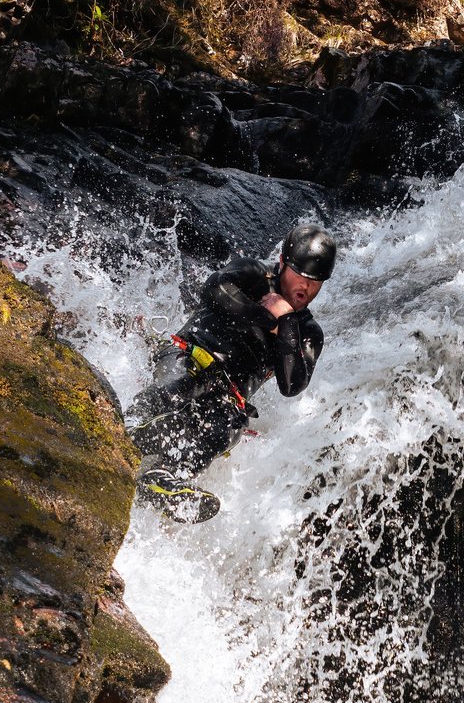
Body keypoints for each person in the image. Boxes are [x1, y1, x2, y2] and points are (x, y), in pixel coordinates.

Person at [132, 222, 337, 522]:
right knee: (180, 384)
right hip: (190, 354)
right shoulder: (254, 274)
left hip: (228, 396)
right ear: (282, 264)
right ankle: (136, 421)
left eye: (315, 280)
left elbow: (292, 384)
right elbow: (215, 289)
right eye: (300, 274)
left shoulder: (308, 332)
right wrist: (267, 317)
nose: (305, 286)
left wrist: (288, 322)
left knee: (226, 429)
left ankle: (163, 477)